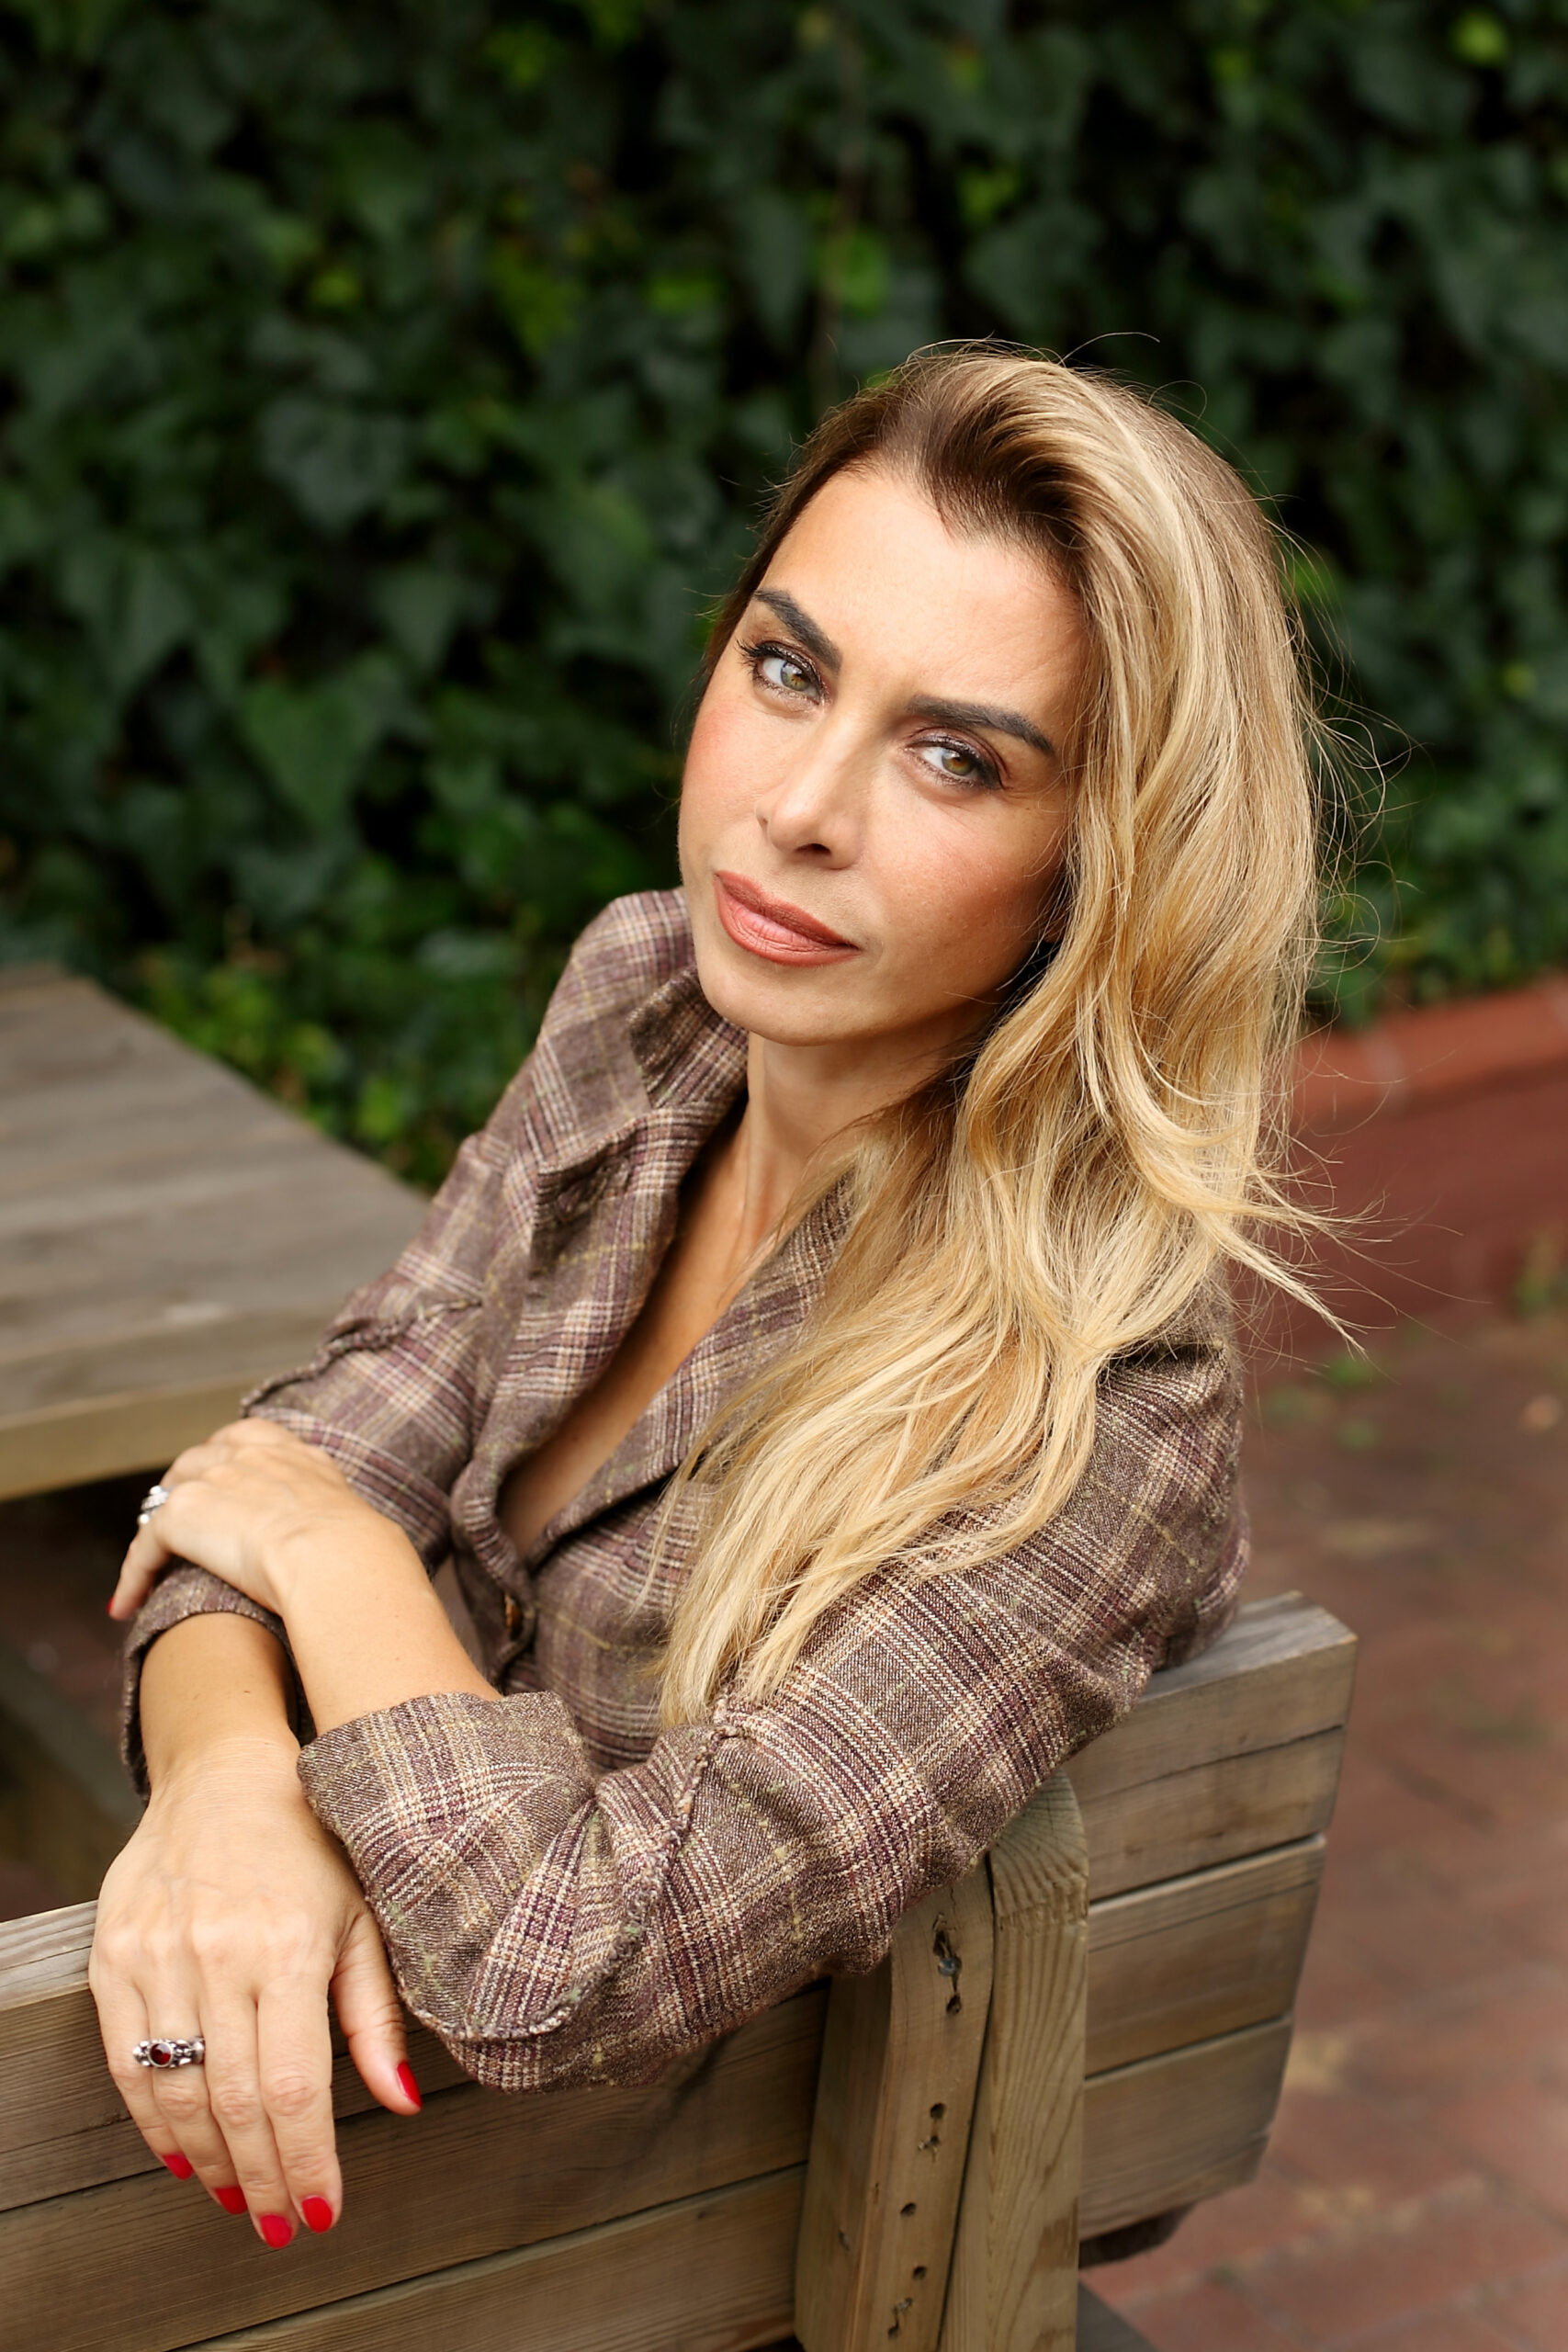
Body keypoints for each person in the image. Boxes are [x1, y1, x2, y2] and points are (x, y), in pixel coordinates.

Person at [93, 345, 1321, 2254]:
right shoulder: (648, 1004)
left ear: (1106, 870)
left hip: (694, 2249)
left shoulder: (1096, 1403)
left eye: (956, 756)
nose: (801, 805)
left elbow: (555, 1955)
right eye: (788, 669)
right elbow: (295, 1449)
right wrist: (228, 1782)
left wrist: (327, 1557)